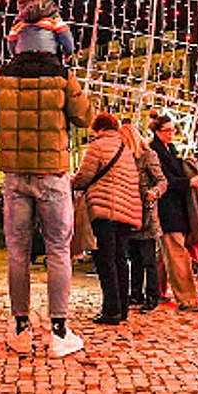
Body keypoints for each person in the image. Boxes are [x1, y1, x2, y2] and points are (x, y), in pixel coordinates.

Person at [0, 39, 93, 358]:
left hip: (15, 174)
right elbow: (84, 117)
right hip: (52, 174)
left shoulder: (4, 75)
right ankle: (59, 332)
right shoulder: (62, 76)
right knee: (57, 249)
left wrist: (5, 110)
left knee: (17, 252)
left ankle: (21, 329)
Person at [72, 113, 141, 324]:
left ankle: (111, 310)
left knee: (105, 259)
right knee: (120, 259)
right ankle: (122, 308)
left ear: (98, 129)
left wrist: (70, 183)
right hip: (127, 211)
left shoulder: (97, 146)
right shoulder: (126, 148)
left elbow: (85, 176)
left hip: (105, 209)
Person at [148, 115, 198, 313]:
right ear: (157, 131)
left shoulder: (169, 150)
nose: (171, 134)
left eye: (173, 130)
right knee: (177, 254)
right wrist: (188, 182)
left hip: (174, 208)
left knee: (165, 254)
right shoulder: (155, 151)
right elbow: (165, 180)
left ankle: (154, 291)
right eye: (167, 130)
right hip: (167, 209)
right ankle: (187, 299)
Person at [119, 122, 166, 313]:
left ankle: (152, 296)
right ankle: (136, 293)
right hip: (130, 212)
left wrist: (153, 192)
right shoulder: (123, 158)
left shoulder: (147, 156)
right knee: (135, 258)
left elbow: (162, 180)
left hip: (145, 212)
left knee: (148, 258)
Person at [7, 0, 75, 61]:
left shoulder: (19, 25)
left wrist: (15, 56)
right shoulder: (54, 21)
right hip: (47, 57)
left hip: (22, 58)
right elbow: (66, 37)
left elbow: (11, 42)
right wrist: (68, 53)